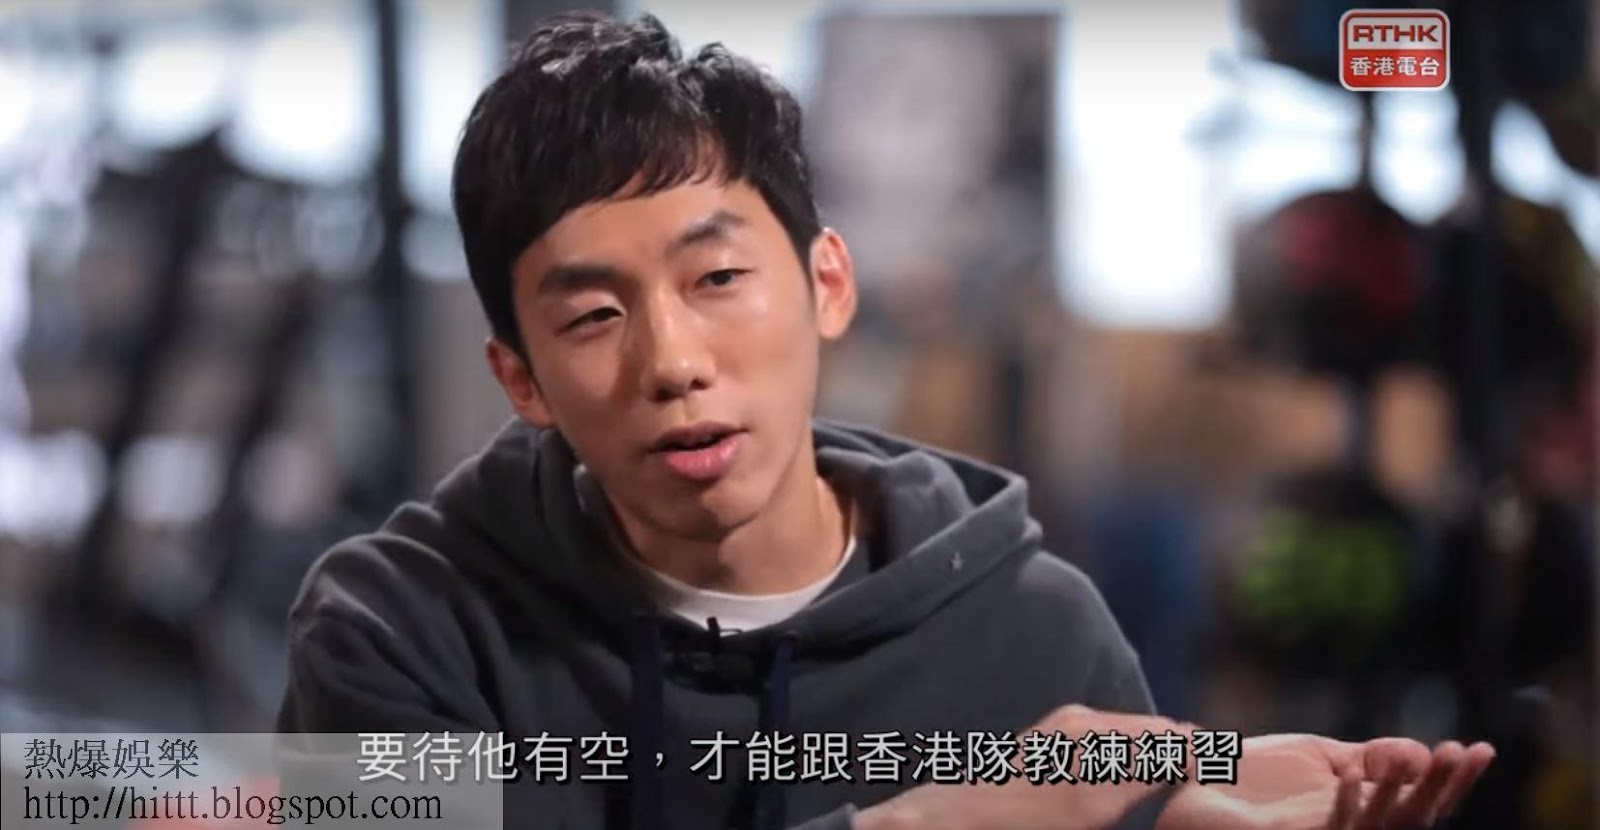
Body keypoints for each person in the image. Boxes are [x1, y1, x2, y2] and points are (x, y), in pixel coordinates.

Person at [277, 11, 1494, 830]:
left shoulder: (1033, 632)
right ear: (521, 378)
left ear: (827, 284)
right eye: (594, 315)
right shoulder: (396, 631)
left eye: (718, 278)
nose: (674, 363)